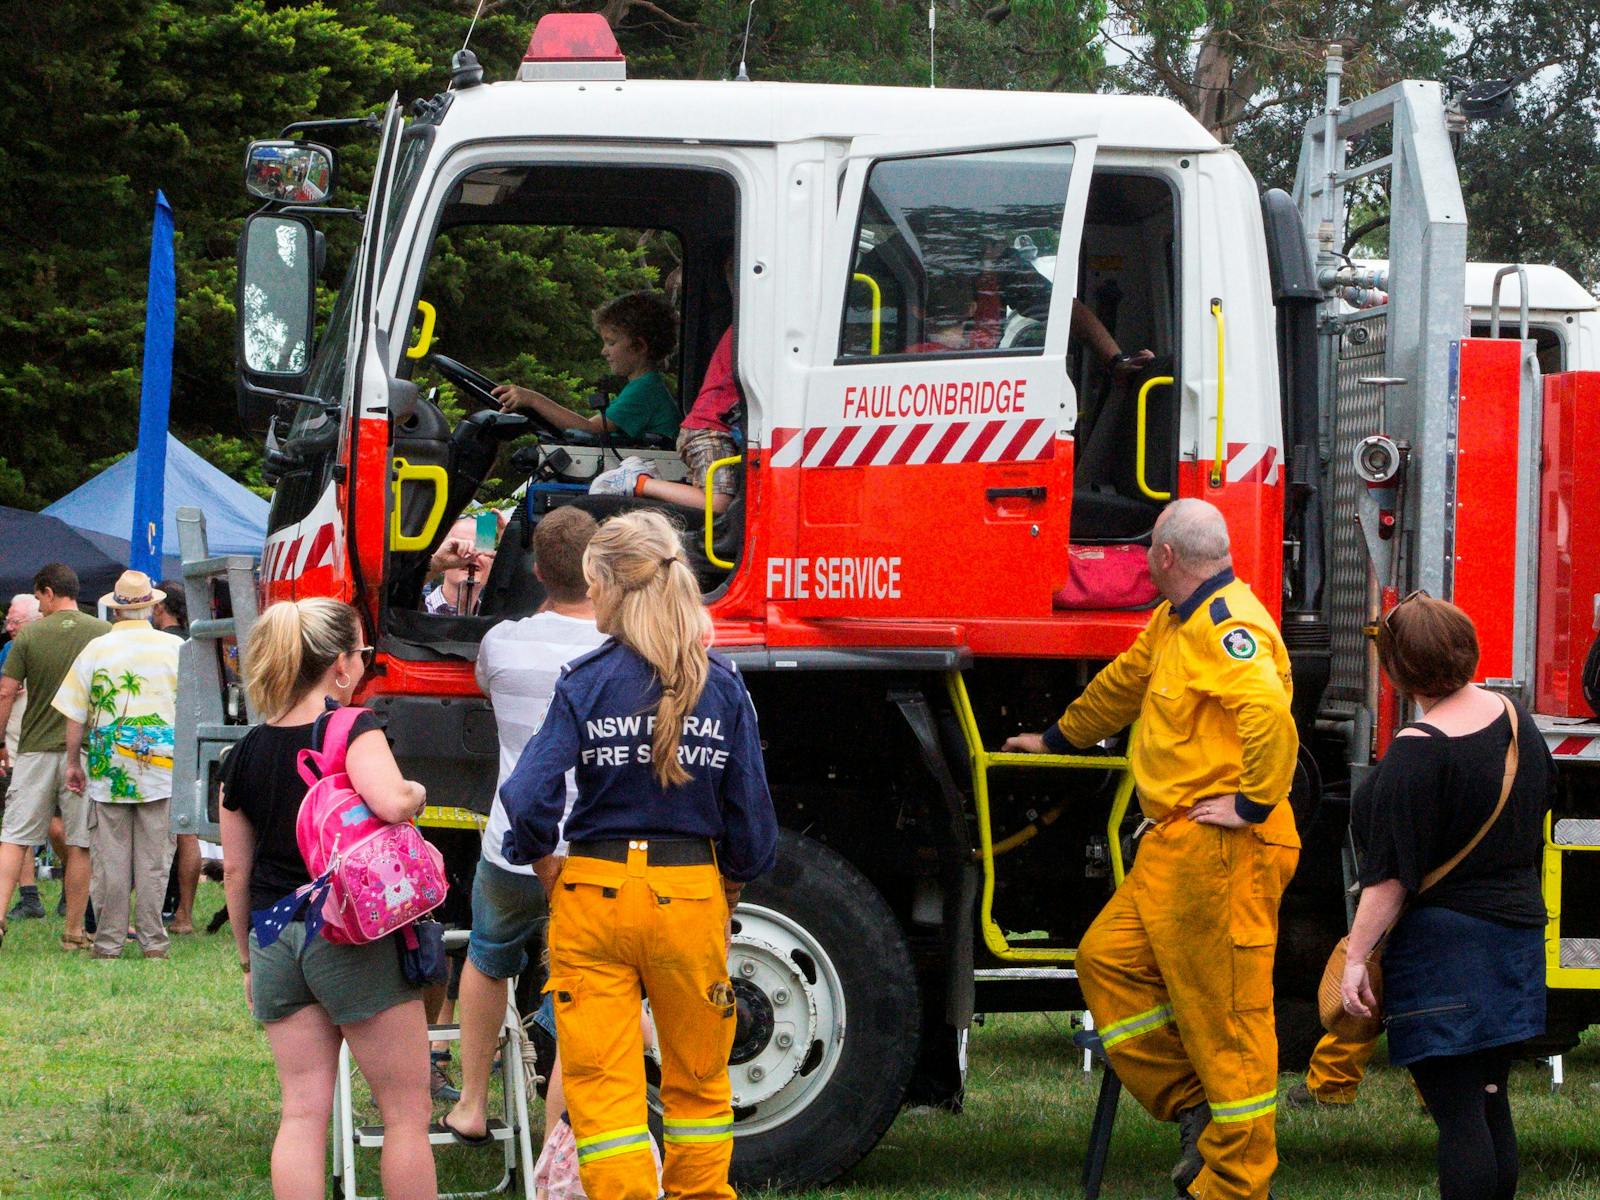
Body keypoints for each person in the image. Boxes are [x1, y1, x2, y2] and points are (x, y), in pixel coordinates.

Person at [1003, 498, 1298, 1200]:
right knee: (1106, 962)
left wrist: (1253, 803)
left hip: (1222, 848)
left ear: (1164, 557)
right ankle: (1195, 1104)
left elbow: (1267, 716)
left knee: (1228, 1019)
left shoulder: (1228, 628)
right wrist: (1057, 739)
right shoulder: (1176, 620)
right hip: (1178, 845)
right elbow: (1123, 687)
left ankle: (1235, 1183)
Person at [501, 509, 779, 1200]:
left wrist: (543, 862)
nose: (589, 597)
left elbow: (529, 794)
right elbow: (753, 823)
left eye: (593, 585)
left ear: (613, 586)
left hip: (591, 893)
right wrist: (731, 885)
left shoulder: (587, 680)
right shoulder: (721, 683)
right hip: (689, 896)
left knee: (605, 1095)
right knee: (699, 1086)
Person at [220, 598, 437, 1200]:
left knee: (302, 1112)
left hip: (272, 934)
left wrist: (245, 960)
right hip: (346, 931)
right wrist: (415, 790)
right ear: (340, 666)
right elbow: (392, 801)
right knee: (404, 1114)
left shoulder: (242, 753)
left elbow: (235, 868)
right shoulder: (351, 726)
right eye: (362, 654)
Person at [1340, 594, 1551, 1200]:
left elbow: (1389, 879)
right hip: (1514, 937)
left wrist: (1356, 957)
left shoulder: (1418, 748)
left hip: (1445, 948)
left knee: (1457, 1114)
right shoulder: (1514, 720)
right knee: (1490, 1102)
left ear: (1397, 669)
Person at [442, 507, 607, 1146]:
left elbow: (485, 686)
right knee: (582, 985)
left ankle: (473, 1104)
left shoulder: (501, 643)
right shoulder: (619, 651)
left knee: (487, 958)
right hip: (588, 854)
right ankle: (558, 1131)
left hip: (510, 846)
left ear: (536, 570)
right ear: (600, 572)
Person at [54, 571, 183, 960]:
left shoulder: (96, 649)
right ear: (151, 605)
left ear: (115, 608)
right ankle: (153, 942)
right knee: (155, 860)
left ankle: (108, 942)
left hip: (109, 769)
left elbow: (74, 715)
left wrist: (74, 763)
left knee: (109, 860)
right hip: (162, 767)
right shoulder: (175, 648)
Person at [0, 564, 110, 952]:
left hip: (32, 750)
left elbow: (6, 692)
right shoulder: (102, 633)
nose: (39, 607)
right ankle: (74, 932)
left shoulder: (29, 635)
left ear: (48, 592)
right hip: (83, 752)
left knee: (13, 837)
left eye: (39, 598)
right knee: (80, 843)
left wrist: (0, 743)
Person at [494, 290, 681, 451]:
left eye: (611, 342)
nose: (603, 351)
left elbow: (590, 430)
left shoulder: (645, 391)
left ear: (639, 346)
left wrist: (534, 400)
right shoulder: (645, 386)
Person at [2, 594, 46, 921]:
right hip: (20, 747)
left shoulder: (54, 643)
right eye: (8, 621)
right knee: (18, 823)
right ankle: (30, 895)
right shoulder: (7, 650)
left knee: (58, 827)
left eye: (15, 621)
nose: (9, 627)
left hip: (53, 747)